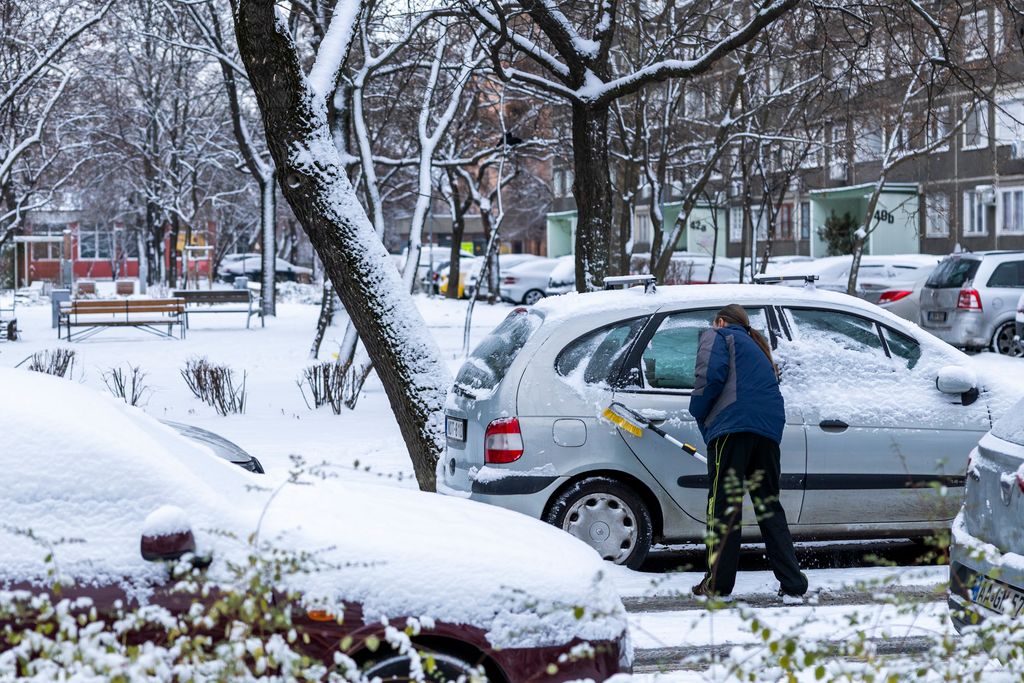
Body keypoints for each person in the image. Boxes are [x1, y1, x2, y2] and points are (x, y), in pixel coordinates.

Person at [687, 304, 807, 599]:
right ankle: (793, 583)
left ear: (721, 321)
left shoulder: (719, 335)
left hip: (733, 429)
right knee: (768, 506)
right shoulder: (757, 348)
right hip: (767, 434)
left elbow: (709, 378)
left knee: (724, 506)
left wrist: (697, 412)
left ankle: (717, 584)